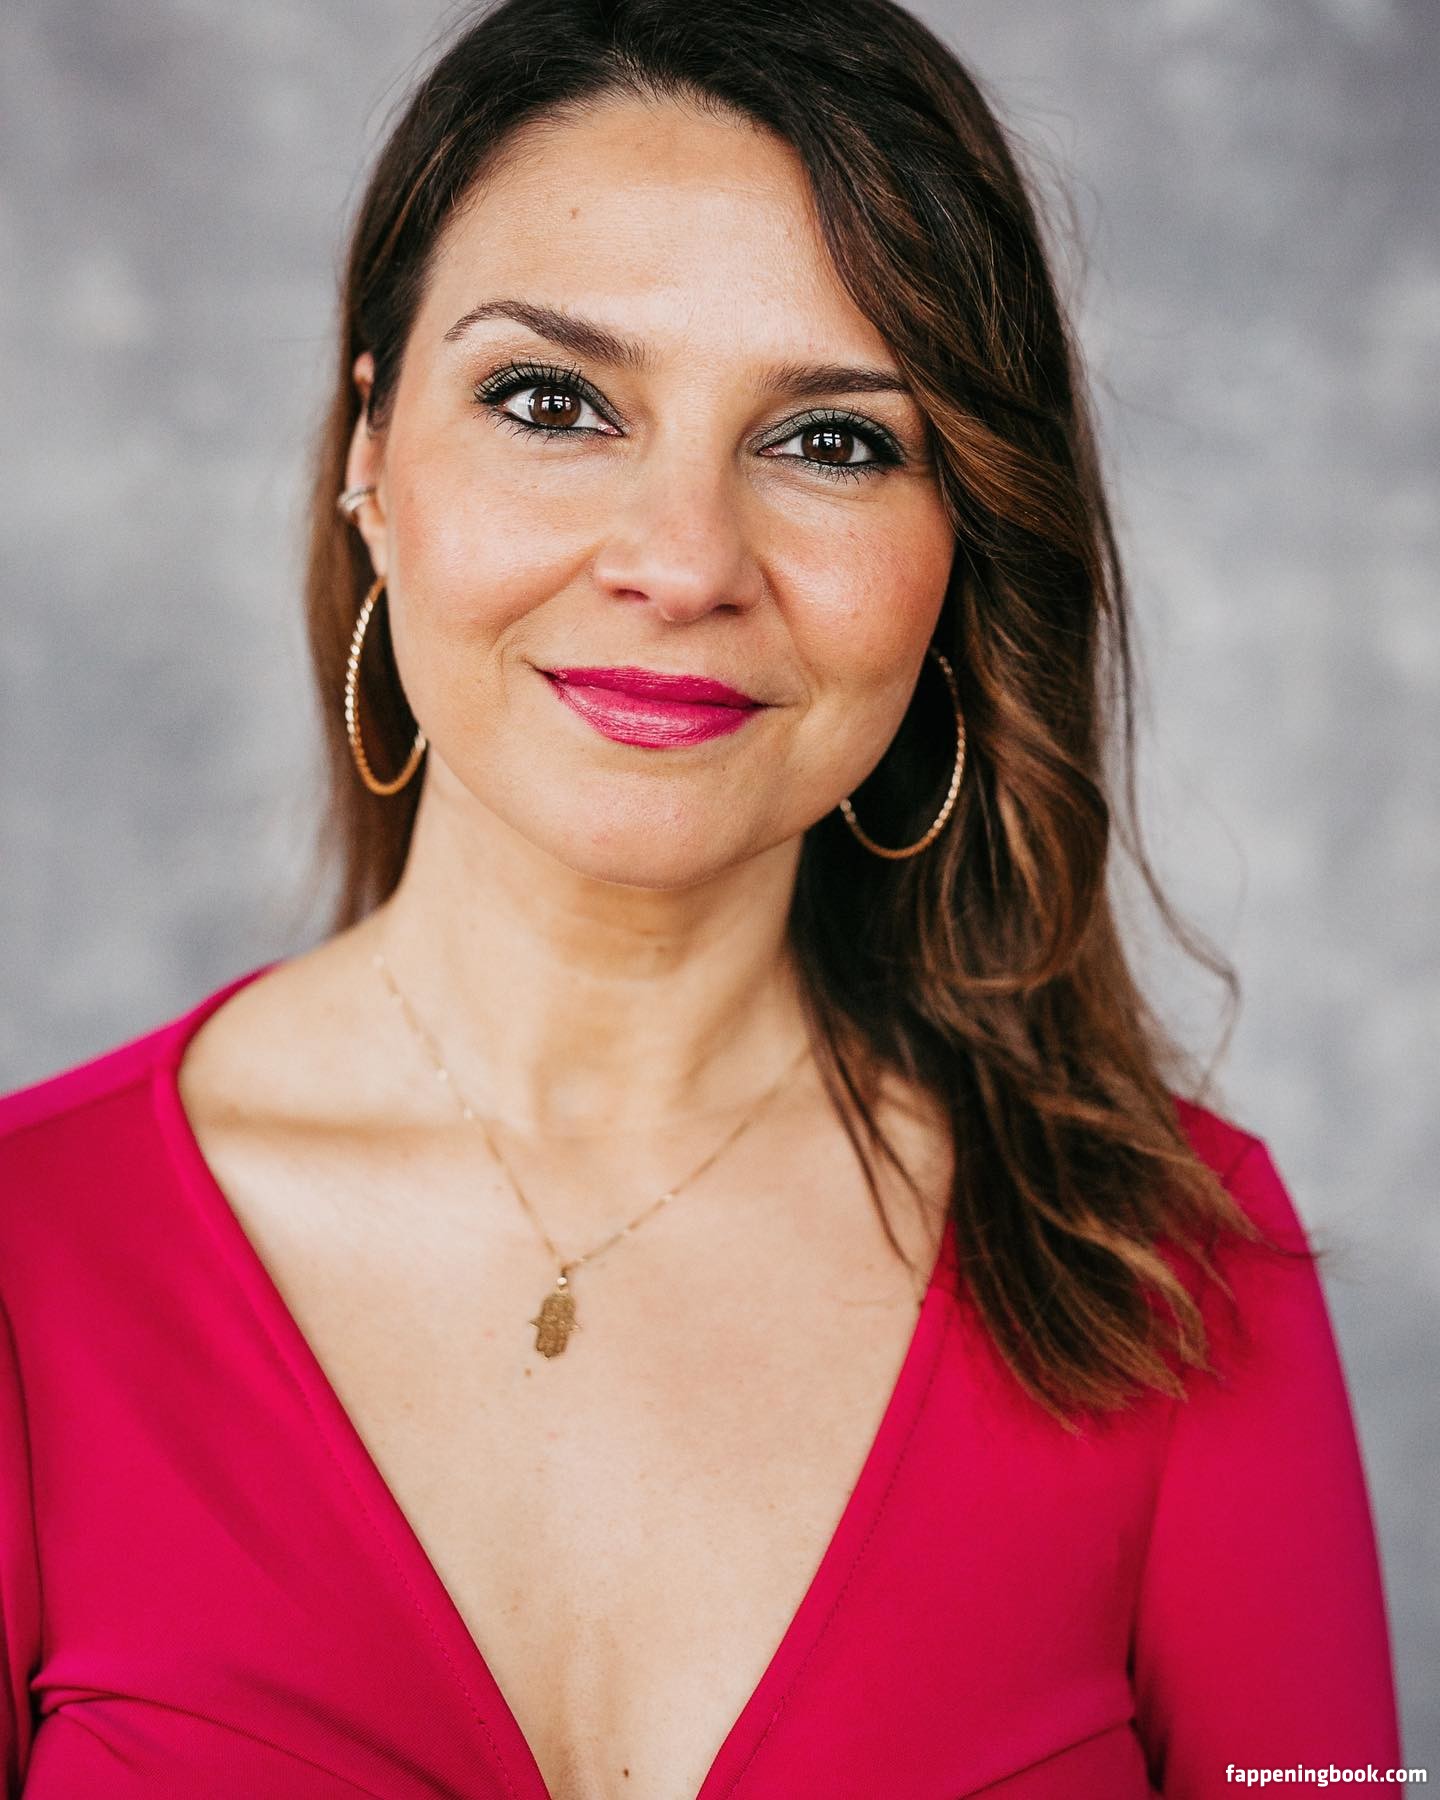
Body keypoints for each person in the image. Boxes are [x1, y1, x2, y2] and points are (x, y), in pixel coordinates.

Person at [0, 0, 1403, 1795]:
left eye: (832, 441)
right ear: (370, 454)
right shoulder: (28, 1260)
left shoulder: (1180, 1272)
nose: (681, 562)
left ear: (963, 539)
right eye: (552, 402)